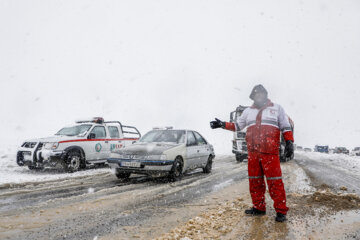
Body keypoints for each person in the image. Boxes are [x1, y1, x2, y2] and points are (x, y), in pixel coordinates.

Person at [210, 84, 294, 222]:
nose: (259, 96)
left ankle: (281, 211)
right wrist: (222, 125)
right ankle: (259, 208)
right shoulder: (248, 111)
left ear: (265, 94)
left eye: (261, 93)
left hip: (270, 153)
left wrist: (289, 141)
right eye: (256, 94)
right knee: (255, 182)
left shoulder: (277, 108)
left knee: (275, 182)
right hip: (253, 153)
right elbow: (238, 126)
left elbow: (285, 126)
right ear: (253, 96)